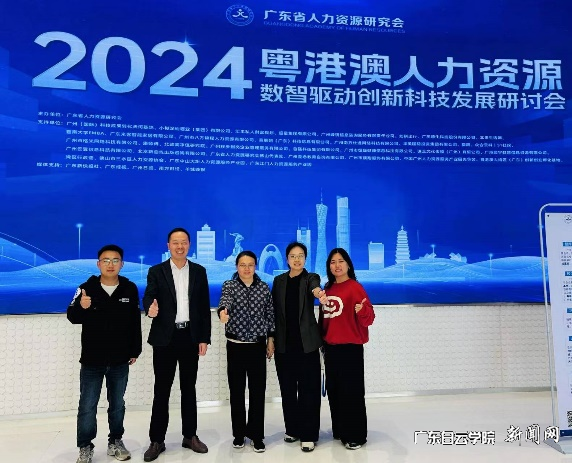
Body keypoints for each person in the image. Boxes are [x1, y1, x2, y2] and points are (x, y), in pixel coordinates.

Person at [67, 244, 142, 463]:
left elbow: (134, 322)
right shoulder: (86, 288)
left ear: (122, 264)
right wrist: (81, 306)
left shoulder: (129, 288)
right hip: (92, 360)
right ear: (98, 264)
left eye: (115, 260)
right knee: (87, 406)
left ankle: (115, 441)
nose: (111, 264)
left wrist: (135, 350)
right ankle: (85, 446)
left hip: (120, 359)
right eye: (106, 260)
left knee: (117, 405)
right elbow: (72, 317)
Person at [143, 228, 211, 462]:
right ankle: (157, 440)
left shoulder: (199, 271)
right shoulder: (156, 271)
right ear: (168, 245)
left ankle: (190, 436)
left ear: (189, 245)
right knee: (161, 390)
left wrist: (204, 338)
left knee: (188, 388)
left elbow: (203, 307)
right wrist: (149, 308)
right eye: (175, 242)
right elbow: (149, 296)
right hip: (165, 338)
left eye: (183, 242)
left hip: (190, 336)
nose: (179, 246)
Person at [271, 242, 327, 452]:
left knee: (308, 391)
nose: (297, 259)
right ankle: (292, 429)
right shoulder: (279, 281)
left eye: (301, 255)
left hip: (307, 346)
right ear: (287, 259)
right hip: (284, 346)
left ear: (305, 258)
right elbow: (274, 312)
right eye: (293, 256)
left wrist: (318, 292)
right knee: (287, 391)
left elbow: (315, 285)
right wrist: (271, 339)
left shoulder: (310, 278)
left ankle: (309, 434)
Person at [217, 250, 275, 453]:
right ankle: (239, 434)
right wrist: (222, 313)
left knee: (258, 392)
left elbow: (270, 315)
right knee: (237, 392)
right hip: (236, 346)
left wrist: (270, 340)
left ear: (255, 266)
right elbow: (224, 302)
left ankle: (257, 435)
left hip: (257, 346)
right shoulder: (230, 285)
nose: (247, 268)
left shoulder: (263, 287)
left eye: (250, 265)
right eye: (243, 265)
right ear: (237, 266)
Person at [320, 247, 375, 450]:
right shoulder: (328, 289)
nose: (337, 265)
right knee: (335, 392)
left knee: (352, 393)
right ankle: (340, 430)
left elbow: (369, 318)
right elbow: (324, 320)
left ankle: (356, 435)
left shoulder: (355, 288)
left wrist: (362, 311)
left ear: (348, 265)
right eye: (333, 262)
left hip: (350, 349)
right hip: (330, 349)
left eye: (341, 261)